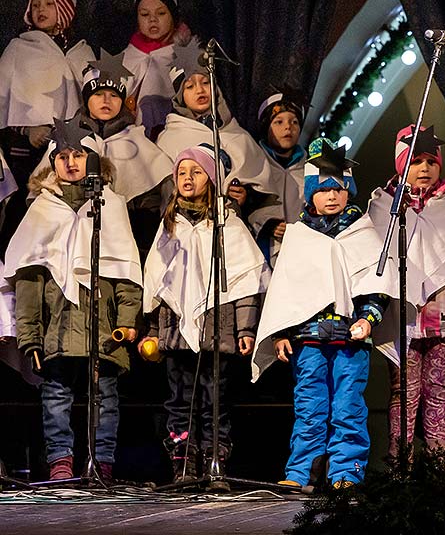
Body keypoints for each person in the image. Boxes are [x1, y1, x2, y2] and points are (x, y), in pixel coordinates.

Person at [342, 124, 445, 458]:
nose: (424, 169)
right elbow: (371, 263)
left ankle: (438, 462)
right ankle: (400, 464)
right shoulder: (384, 207)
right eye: (415, 161)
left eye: (430, 162)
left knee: (438, 390)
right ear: (401, 164)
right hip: (403, 316)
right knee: (403, 391)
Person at [6, 119, 142, 482]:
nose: (70, 163)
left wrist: (127, 322)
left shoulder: (110, 206)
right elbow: (30, 280)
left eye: (79, 155)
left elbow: (126, 273)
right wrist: (30, 336)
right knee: (56, 397)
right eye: (62, 156)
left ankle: (103, 462)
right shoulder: (42, 209)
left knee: (105, 398)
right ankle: (61, 461)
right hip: (58, 325)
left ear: (94, 160)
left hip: (103, 325)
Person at [252, 137, 389, 491]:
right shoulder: (300, 236)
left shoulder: (361, 231)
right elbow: (287, 289)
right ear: (311, 193)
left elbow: (376, 285)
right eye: (324, 190)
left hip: (350, 339)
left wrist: (367, 319)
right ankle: (301, 473)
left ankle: (345, 472)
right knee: (310, 407)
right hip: (308, 339)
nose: (332, 197)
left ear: (348, 191)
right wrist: (281, 332)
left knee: (347, 407)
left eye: (339, 189)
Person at [142, 146, 270, 491]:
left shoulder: (228, 224)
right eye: (182, 173)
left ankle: (215, 462)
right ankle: (184, 463)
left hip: (217, 329)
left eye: (196, 172)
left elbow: (246, 280)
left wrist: (245, 329)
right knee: (180, 401)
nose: (187, 178)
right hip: (177, 334)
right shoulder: (169, 226)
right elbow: (157, 284)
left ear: (211, 179)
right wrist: (153, 329)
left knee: (215, 401)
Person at [28, 49, 172, 256]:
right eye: (98, 94)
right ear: (87, 99)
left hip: (126, 236)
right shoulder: (67, 135)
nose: (106, 100)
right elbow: (39, 189)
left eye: (114, 95)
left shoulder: (136, 139)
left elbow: (157, 188)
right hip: (70, 233)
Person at [0, 0, 94, 257]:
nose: (41, 9)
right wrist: (27, 130)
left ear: (64, 10)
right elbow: (2, 99)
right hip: (24, 149)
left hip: (66, 151)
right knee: (21, 211)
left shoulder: (79, 51)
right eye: (36, 4)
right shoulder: (19, 49)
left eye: (49, 3)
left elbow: (93, 92)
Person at [155, 39, 279, 215]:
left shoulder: (236, 133)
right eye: (190, 86)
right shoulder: (170, 138)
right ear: (181, 96)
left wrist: (245, 196)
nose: (200, 90)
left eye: (205, 83)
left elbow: (261, 190)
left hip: (231, 225)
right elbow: (167, 192)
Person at [121, 0, 192, 139]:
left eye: (160, 13)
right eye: (145, 14)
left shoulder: (185, 56)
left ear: (172, 16)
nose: (152, 19)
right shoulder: (127, 56)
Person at [246, 88, 308, 265]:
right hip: (265, 251)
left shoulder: (309, 169)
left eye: (294, 122)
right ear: (267, 127)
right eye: (278, 122)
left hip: (301, 252)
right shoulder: (253, 163)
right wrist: (269, 225)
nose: (288, 127)